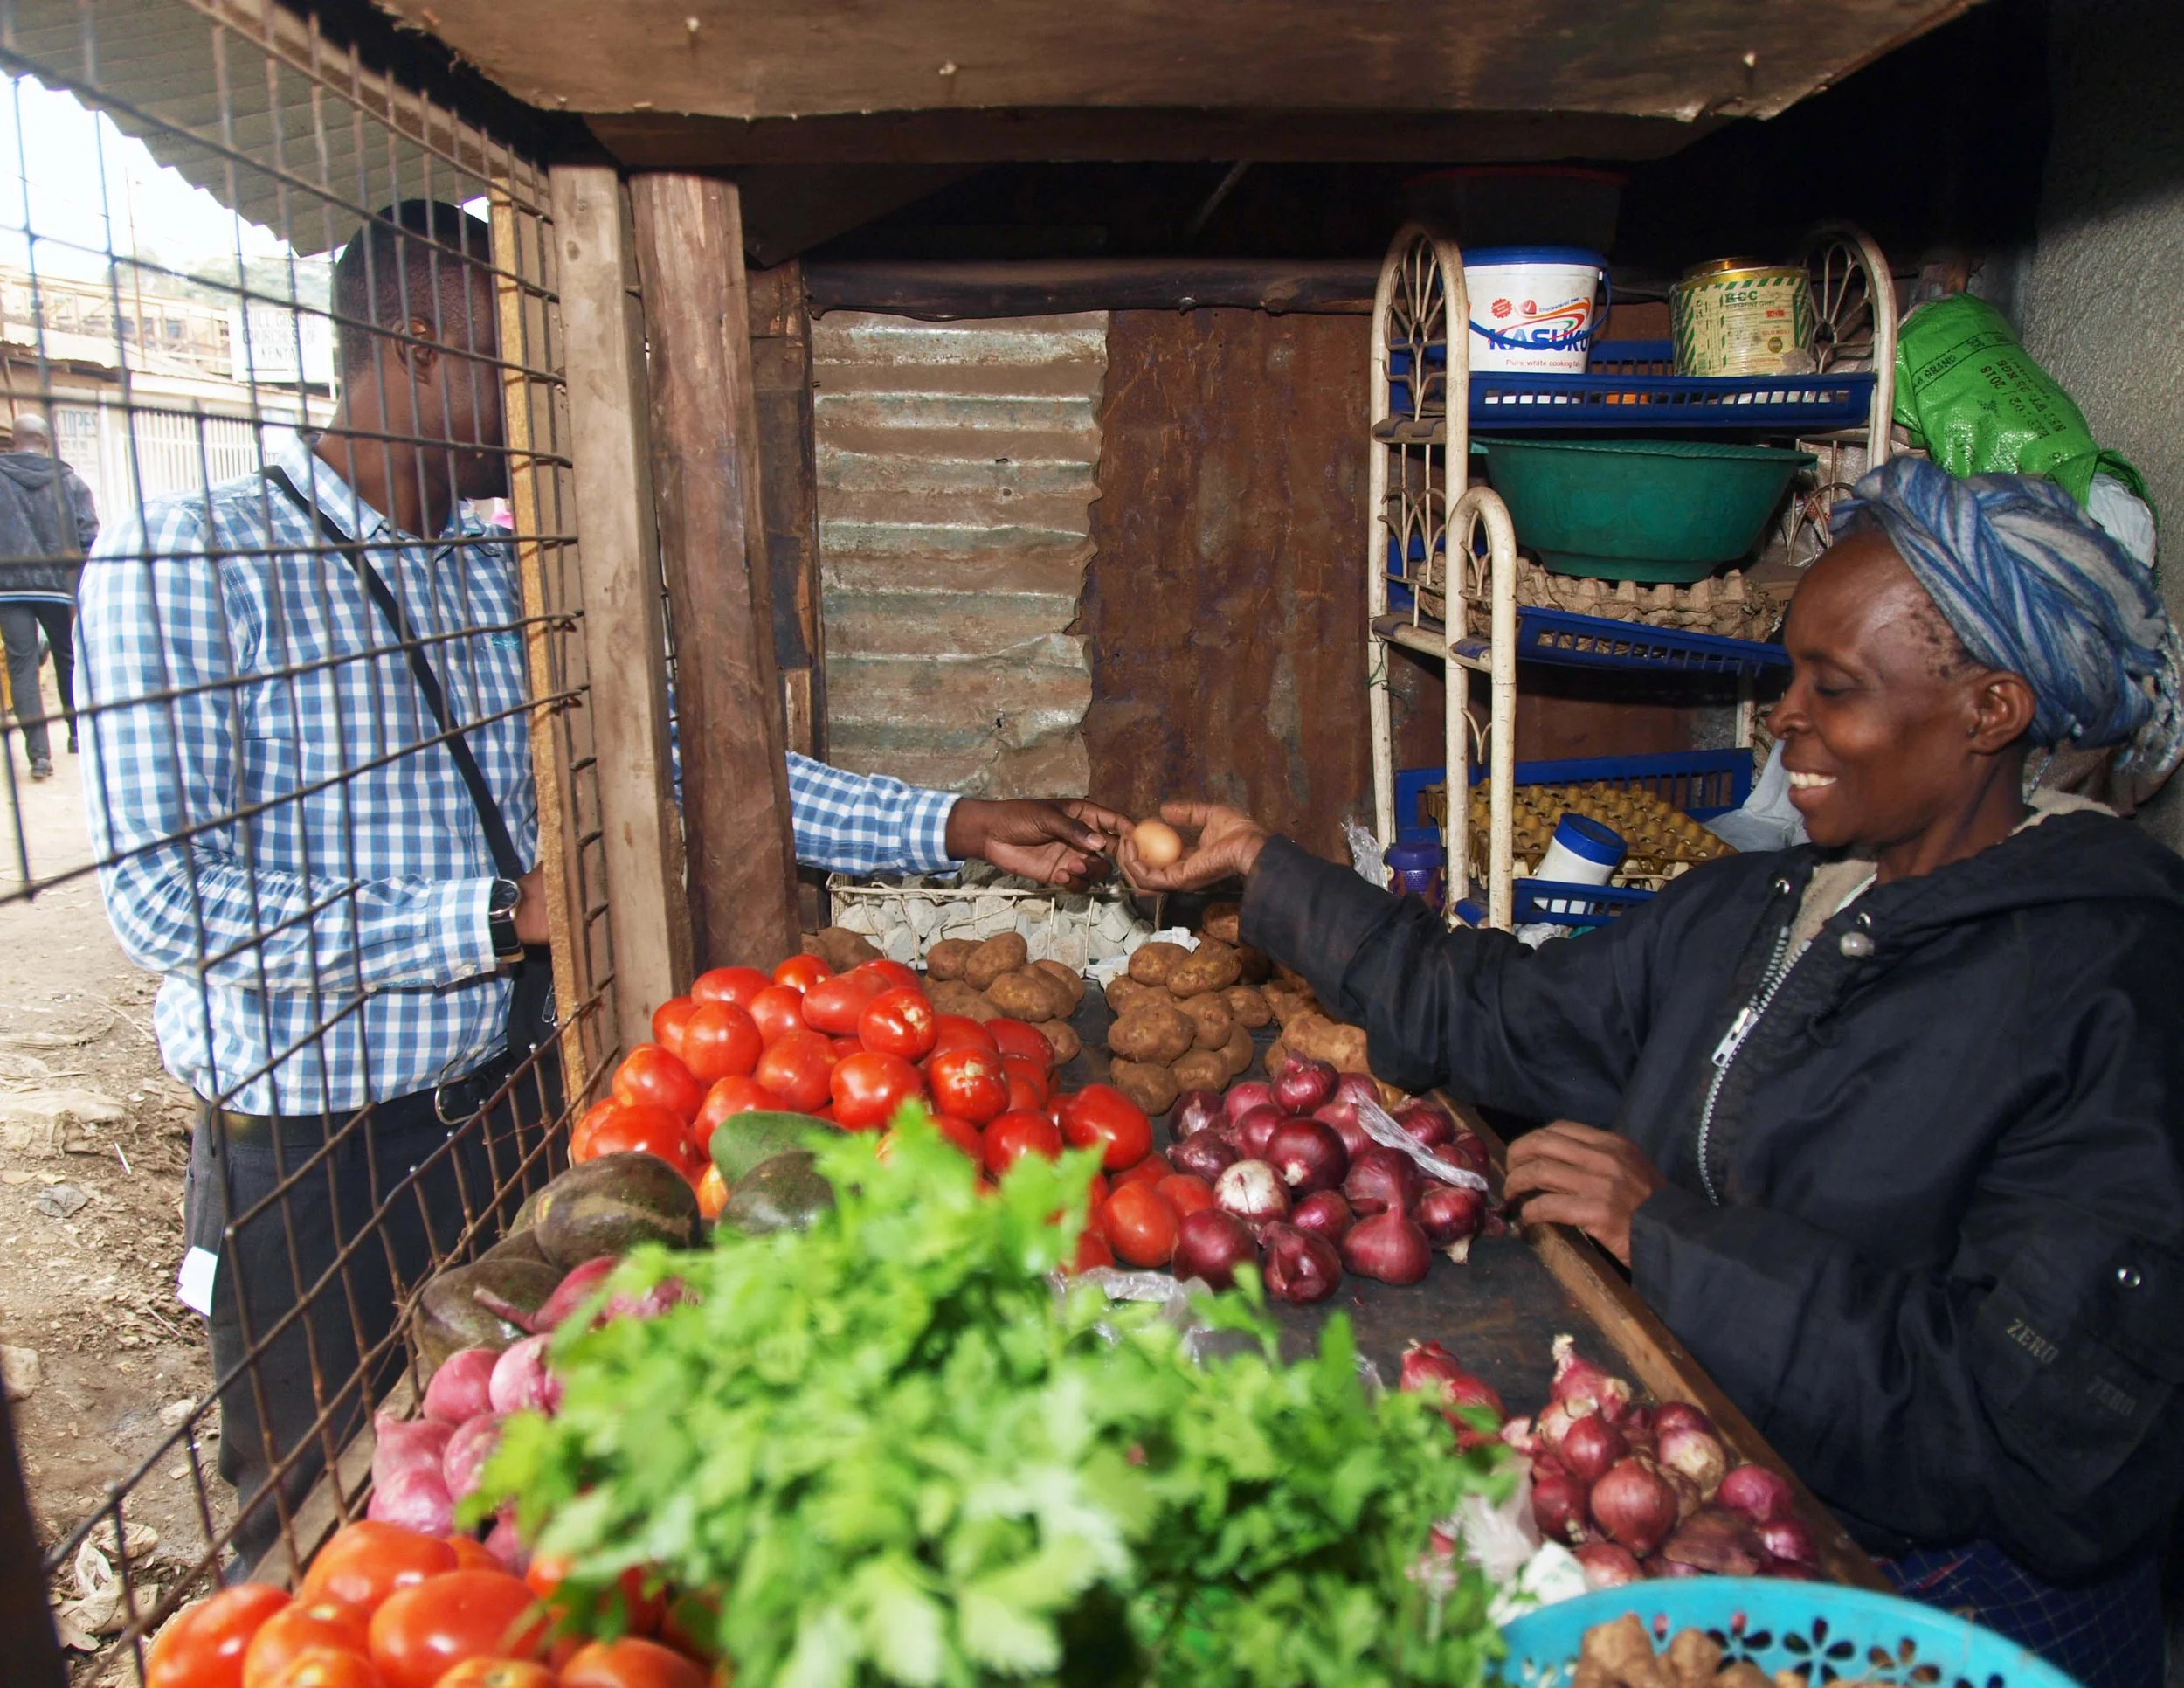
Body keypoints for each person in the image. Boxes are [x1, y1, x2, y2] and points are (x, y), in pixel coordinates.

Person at [76, 199, 1125, 1571]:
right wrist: (490, 917)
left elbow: (697, 777)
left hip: (511, 1118)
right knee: (324, 1524)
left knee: (531, 1495)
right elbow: (163, 896)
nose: (542, 404)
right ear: (419, 342)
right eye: (520, 361)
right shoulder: (190, 564)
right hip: (309, 1157)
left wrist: (956, 819)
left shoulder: (514, 568)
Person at [1122, 458, 2184, 1688]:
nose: (1784, 719)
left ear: (1991, 712)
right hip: (1709, 1496)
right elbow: (1505, 1012)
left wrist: (1664, 1233)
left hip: (1944, 1603)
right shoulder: (1768, 908)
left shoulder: (2113, 991)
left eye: (1832, 689)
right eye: (1790, 675)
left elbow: (2033, 1436)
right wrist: (1269, 874)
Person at [0, 409, 99, 780]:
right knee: (68, 656)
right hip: (60, 586)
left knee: (22, 666)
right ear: (45, 442)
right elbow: (89, 535)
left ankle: (39, 756)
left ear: (14, 441)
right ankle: (76, 733)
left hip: (8, 588)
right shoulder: (70, 482)